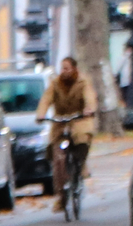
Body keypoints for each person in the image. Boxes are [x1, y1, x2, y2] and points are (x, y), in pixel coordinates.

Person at [36, 55, 96, 199]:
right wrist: (41, 114)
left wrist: (89, 109)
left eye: (66, 68)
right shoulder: (55, 83)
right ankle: (61, 196)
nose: (63, 71)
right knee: (57, 156)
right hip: (61, 121)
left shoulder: (83, 82)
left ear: (74, 69)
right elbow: (46, 99)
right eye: (62, 68)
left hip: (79, 119)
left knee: (82, 139)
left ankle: (81, 165)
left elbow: (90, 97)